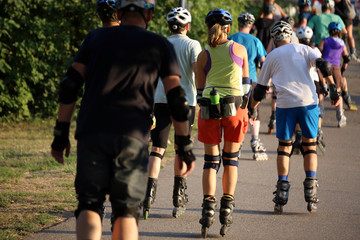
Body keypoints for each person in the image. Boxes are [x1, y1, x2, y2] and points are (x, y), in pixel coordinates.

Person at [50, 1, 196, 239]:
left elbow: (70, 86)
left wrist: (60, 134)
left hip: (92, 131)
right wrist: (185, 146)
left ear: (118, 13)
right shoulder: (158, 44)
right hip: (133, 135)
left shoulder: (95, 38)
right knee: (126, 210)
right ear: (149, 13)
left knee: (89, 204)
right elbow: (177, 99)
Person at [249, 21, 341, 214]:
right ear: (291, 35)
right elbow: (323, 65)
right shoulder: (305, 49)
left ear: (274, 40)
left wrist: (252, 109)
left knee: (284, 147)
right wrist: (333, 91)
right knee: (309, 146)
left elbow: (260, 90)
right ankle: (311, 192)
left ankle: (282, 192)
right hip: (308, 102)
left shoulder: (272, 56)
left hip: (285, 105)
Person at [142, 6, 202, 219]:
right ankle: (178, 198)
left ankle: (148, 197)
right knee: (180, 148)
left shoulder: (160, 44)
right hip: (185, 102)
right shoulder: (193, 44)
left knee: (157, 148)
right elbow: (197, 72)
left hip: (159, 100)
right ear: (188, 26)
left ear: (169, 26)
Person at [196, 9, 250, 237]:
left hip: (209, 104)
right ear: (228, 28)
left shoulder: (203, 54)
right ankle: (227, 207)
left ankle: (208, 208)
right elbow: (246, 85)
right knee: (231, 160)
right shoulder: (239, 49)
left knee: (210, 161)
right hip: (235, 106)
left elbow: (199, 89)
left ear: (209, 28)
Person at [228, 12, 268, 161]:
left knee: (236, 111)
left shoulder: (230, 39)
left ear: (238, 25)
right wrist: (266, 83)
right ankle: (255, 140)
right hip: (251, 80)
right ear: (251, 26)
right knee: (253, 110)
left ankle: (236, 142)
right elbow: (264, 62)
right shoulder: (256, 40)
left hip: (233, 82)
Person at [295, 25, 328, 153]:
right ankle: (318, 133)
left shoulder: (294, 50)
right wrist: (324, 85)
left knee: (299, 108)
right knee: (318, 107)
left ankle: (298, 137)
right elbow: (321, 70)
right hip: (314, 82)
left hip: (300, 82)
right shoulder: (315, 51)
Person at [318, 22, 356, 126]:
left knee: (321, 91)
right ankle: (340, 117)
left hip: (324, 67)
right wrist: (343, 68)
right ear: (339, 32)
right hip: (336, 68)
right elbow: (346, 58)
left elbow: (319, 52)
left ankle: (319, 113)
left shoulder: (325, 40)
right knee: (337, 91)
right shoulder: (342, 43)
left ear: (329, 31)